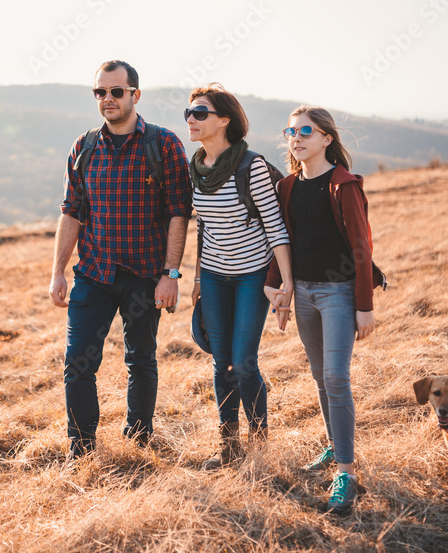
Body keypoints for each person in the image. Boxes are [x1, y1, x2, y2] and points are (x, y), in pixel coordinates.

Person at [49, 60, 191, 459]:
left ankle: (139, 440)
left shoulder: (163, 145)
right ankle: (82, 450)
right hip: (93, 274)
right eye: (100, 92)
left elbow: (179, 213)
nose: (107, 99)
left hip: (146, 275)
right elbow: (71, 211)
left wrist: (171, 275)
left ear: (135, 95)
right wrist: (58, 272)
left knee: (141, 360)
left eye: (116, 91)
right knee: (78, 363)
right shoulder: (84, 147)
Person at [264, 106, 378, 514]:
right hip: (305, 294)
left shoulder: (344, 184)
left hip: (338, 293)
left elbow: (363, 248)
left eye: (305, 131)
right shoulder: (288, 186)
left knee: (335, 376)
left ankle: (345, 472)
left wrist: (363, 306)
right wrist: (277, 285)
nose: (296, 138)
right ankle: (334, 447)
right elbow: (281, 239)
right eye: (290, 131)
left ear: (326, 138)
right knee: (318, 376)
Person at [186, 83, 293, 470]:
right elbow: (204, 228)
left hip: (251, 276)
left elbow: (276, 227)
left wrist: (286, 284)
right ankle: (229, 449)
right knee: (221, 362)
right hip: (214, 275)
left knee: (244, 361)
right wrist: (198, 278)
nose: (191, 120)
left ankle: (260, 445)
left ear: (225, 120)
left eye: (200, 113)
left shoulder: (253, 167)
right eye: (189, 113)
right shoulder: (195, 167)